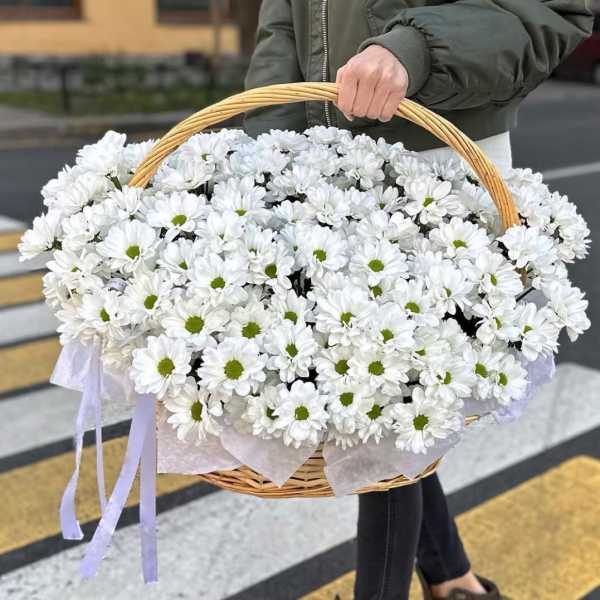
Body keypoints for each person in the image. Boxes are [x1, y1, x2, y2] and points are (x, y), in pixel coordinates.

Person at [242, 2, 593, 599]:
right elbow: (282, 25)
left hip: (440, 170)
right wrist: (269, 150)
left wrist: (413, 50)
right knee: (391, 407)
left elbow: (551, 10)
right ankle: (454, 580)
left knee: (387, 403)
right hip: (324, 170)